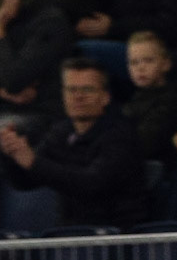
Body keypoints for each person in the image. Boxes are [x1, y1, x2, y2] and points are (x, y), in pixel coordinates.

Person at [0, 56, 146, 228]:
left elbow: (90, 184)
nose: (78, 97)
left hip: (116, 238)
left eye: (87, 90)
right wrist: (11, 154)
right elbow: (26, 182)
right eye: (71, 90)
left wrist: (32, 161)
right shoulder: (62, 132)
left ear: (105, 97)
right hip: (71, 235)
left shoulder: (120, 135)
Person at [0, 0, 75, 131]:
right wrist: (4, 92)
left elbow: (14, 80)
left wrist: (0, 34)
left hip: (40, 112)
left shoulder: (49, 19)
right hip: (7, 106)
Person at [121, 31, 177, 167]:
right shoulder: (136, 98)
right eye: (134, 62)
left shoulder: (173, 98)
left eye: (148, 60)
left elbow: (146, 142)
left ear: (166, 64)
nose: (140, 68)